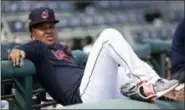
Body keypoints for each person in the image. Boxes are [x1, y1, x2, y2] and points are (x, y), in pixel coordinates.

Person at [8, 7, 182, 106]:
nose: (48, 31)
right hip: (82, 98)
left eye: (51, 27)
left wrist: (62, 48)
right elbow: (25, 50)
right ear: (32, 34)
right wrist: (17, 50)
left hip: (94, 90)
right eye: (42, 28)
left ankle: (161, 91)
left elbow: (58, 51)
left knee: (122, 71)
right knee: (108, 36)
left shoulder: (55, 48)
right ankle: (155, 84)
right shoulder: (36, 47)